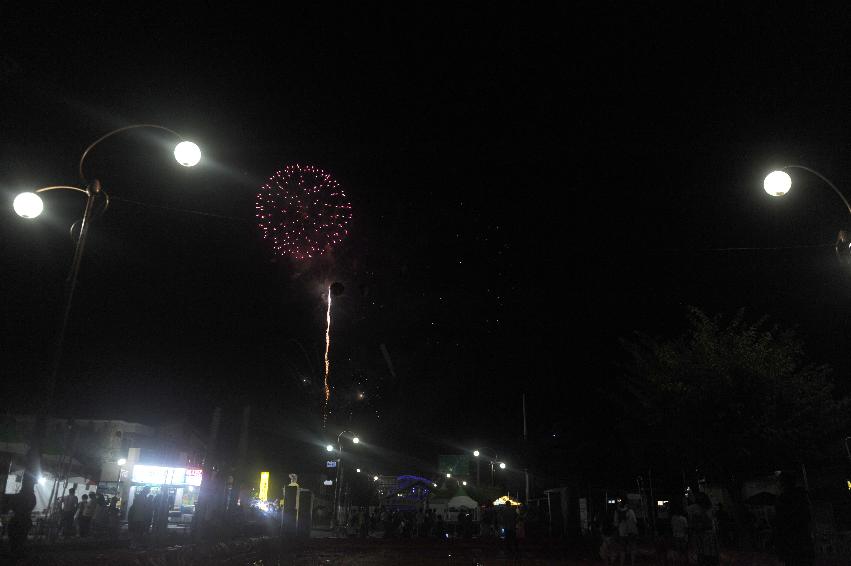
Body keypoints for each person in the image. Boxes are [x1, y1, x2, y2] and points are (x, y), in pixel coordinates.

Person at [774, 471, 814, 566]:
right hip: (803, 542)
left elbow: (780, 524)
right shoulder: (802, 497)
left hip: (791, 545)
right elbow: (807, 517)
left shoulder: (783, 500)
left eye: (779, 482)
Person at [692, 492, 719, 566]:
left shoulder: (698, 511)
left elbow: (700, 524)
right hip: (708, 535)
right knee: (710, 556)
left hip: (703, 536)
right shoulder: (710, 510)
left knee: (704, 556)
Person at [614, 498, 638, 566]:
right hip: (631, 532)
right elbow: (635, 521)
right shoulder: (631, 511)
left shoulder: (617, 512)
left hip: (622, 533)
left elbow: (615, 524)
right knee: (632, 549)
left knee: (622, 550)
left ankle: (622, 563)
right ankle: (632, 563)